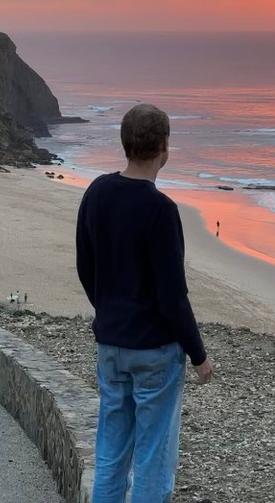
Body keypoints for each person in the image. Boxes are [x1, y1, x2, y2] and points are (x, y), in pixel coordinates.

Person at [76, 103, 213, 503]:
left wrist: (108, 310)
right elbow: (172, 295)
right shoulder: (160, 210)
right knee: (153, 459)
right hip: (154, 350)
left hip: (111, 343)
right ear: (164, 147)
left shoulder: (97, 192)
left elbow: (87, 266)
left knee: (111, 455)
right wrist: (199, 354)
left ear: (125, 143)